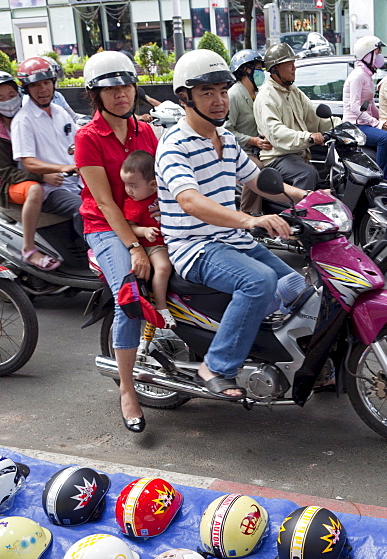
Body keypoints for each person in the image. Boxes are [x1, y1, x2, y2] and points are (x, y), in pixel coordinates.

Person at [157, 49, 307, 399]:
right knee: (260, 281)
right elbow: (189, 201)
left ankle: (272, 350)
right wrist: (249, 219)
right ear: (185, 97)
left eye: (222, 91)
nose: (219, 100)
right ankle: (218, 364)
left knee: (297, 285)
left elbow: (259, 181)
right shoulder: (174, 146)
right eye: (207, 93)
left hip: (232, 241)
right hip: (196, 247)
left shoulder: (225, 140)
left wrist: (312, 199)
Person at [74, 51, 159, 433]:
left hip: (148, 219)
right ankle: (127, 389)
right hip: (107, 228)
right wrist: (134, 246)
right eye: (111, 88)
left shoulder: (145, 130)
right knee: (129, 294)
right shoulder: (88, 138)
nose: (121, 94)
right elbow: (106, 203)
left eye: (126, 85)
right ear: (95, 94)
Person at [0, 71, 58, 271]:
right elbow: (5, 172)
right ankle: (29, 249)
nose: (8, 101)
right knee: (35, 190)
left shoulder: (31, 118)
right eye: (0, 98)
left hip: (37, 175)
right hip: (8, 183)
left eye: (11, 95)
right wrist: (41, 176)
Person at [11, 56, 82, 254]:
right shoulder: (23, 120)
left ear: (53, 84)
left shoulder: (61, 112)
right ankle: (92, 258)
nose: (43, 89)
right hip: (51, 188)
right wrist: (62, 168)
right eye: (36, 85)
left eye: (46, 83)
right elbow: (28, 162)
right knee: (84, 209)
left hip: (78, 181)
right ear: (27, 89)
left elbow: (78, 143)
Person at [253, 42, 333, 191]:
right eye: (289, 64)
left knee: (325, 177)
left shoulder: (293, 91)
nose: (294, 68)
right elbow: (276, 133)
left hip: (296, 154)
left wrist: (342, 125)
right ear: (275, 68)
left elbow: (314, 118)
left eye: (293, 63)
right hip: (277, 157)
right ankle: (299, 213)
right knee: (306, 174)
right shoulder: (267, 96)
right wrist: (308, 137)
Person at [120, 150, 174, 328]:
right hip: (153, 245)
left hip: (171, 240)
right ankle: (161, 307)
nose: (128, 190)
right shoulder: (133, 203)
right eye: (126, 185)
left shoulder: (163, 195)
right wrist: (144, 231)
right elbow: (129, 227)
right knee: (163, 267)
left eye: (133, 185)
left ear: (153, 185)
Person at [226, 48, 272, 215]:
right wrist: (252, 140)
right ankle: (247, 214)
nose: (261, 73)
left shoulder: (258, 93)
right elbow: (226, 130)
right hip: (242, 150)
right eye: (258, 69)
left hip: (260, 148)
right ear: (246, 70)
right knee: (256, 169)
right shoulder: (234, 95)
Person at [343, 35, 387, 172]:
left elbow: (371, 105)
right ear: (367, 55)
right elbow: (355, 107)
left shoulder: (367, 76)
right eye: (377, 53)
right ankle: (382, 178)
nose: (380, 56)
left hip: (363, 124)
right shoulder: (358, 76)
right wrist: (377, 124)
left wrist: (382, 120)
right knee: (384, 138)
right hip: (354, 125)